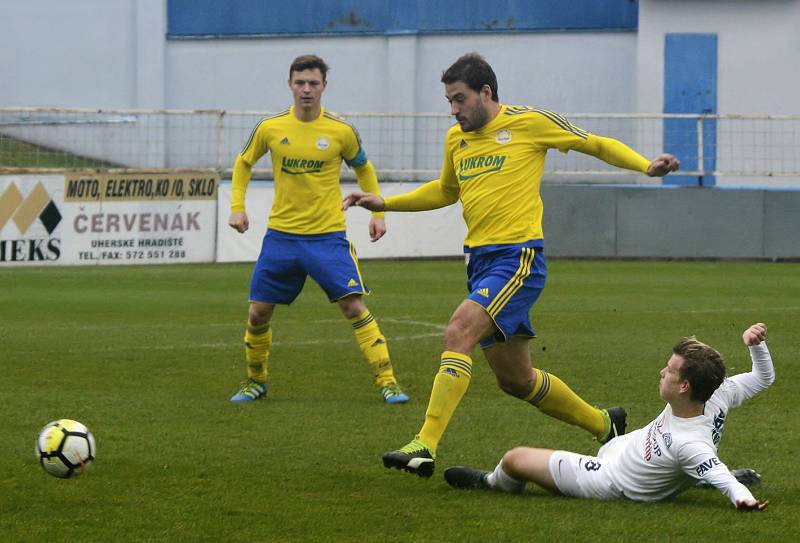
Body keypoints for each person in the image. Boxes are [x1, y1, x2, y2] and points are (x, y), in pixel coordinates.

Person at [342, 53, 680, 477]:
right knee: (516, 380)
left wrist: (644, 165)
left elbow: (593, 143)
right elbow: (446, 191)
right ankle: (603, 423)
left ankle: (424, 444)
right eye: (448, 101)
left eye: (459, 99)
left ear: (486, 92)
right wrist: (385, 201)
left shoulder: (529, 122)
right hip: (480, 262)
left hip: (518, 258)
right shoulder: (455, 140)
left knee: (458, 330)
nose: (453, 110)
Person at [228, 54, 408, 405]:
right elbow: (244, 162)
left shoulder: (341, 131)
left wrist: (378, 212)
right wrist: (237, 207)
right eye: (300, 83)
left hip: (328, 237)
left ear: (324, 86)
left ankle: (388, 382)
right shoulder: (270, 128)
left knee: (354, 307)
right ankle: (255, 381)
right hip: (281, 237)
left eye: (313, 83)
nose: (306, 89)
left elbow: (364, 168)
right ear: (290, 84)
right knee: (257, 312)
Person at [444, 323, 773, 512]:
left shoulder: (691, 443)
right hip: (628, 447)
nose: (662, 372)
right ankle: (696, 477)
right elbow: (762, 378)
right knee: (696, 465)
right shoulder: (718, 393)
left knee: (515, 459)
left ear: (685, 386)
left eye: (670, 371)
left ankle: (491, 482)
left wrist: (742, 497)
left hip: (610, 479)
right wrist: (755, 345)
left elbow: (724, 479)